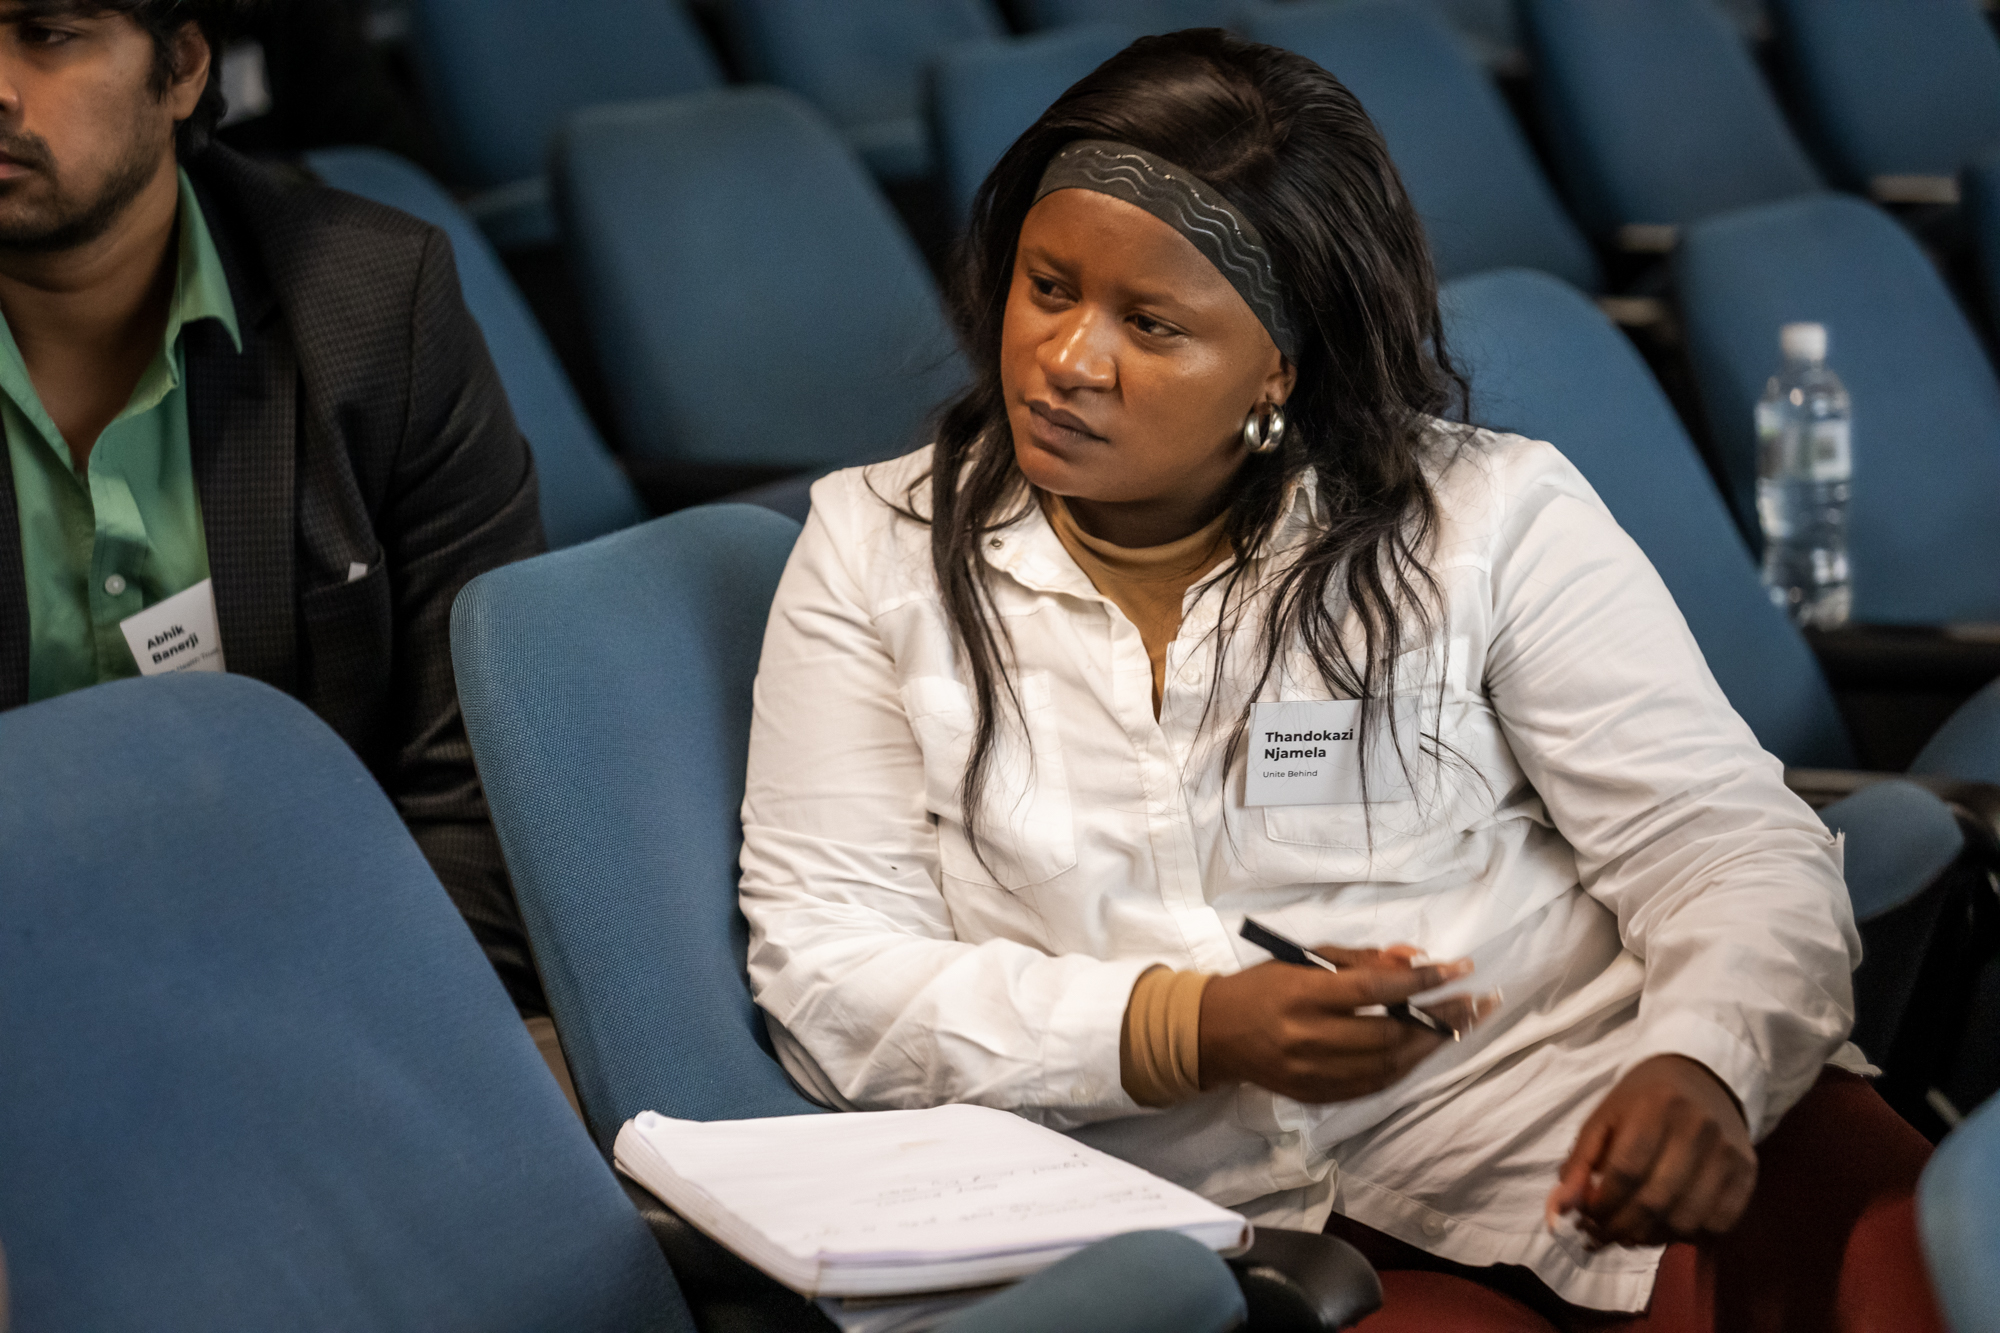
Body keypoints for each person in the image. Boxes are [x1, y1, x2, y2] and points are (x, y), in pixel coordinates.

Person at [737, 30, 1943, 1331]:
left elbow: (1719, 838)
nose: (1068, 360)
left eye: (1150, 324)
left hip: (1577, 1083)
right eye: (1047, 286)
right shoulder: (874, 552)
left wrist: (1704, 1058)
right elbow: (830, 975)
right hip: (1218, 1217)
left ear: (1280, 367)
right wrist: (1183, 1027)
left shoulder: (1484, 513)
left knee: (1913, 1265)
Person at [0, 1, 547, 1014]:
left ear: (183, 70)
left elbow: (476, 789)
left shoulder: (372, 304)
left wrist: (312, 1044)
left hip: (329, 995)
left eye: (48, 31)